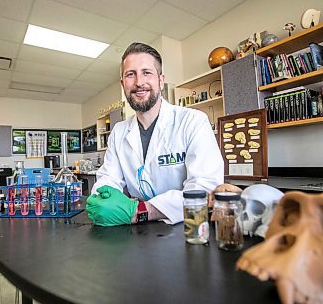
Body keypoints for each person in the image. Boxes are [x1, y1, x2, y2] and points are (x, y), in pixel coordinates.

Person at [86, 42, 224, 226]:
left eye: (147, 72)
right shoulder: (118, 133)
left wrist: (141, 211)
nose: (139, 82)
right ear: (123, 84)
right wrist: (104, 198)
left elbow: (204, 188)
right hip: (135, 236)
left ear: (161, 79)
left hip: (187, 229)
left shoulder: (193, 121)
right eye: (130, 74)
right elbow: (109, 178)